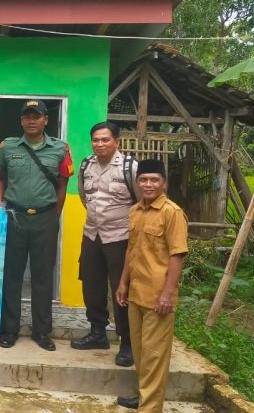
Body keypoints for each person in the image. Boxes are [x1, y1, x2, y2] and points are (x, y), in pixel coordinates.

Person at [0, 99, 73, 351]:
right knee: (12, 275)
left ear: (46, 120)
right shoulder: (7, 146)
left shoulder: (60, 148)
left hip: (45, 219)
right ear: (21, 120)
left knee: (42, 276)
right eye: (27, 116)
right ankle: (9, 330)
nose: (31, 120)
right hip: (14, 217)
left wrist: (55, 213)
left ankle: (41, 332)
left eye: (36, 116)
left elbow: (63, 183)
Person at [116, 159, 188, 412]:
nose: (148, 184)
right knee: (141, 352)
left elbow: (177, 255)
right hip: (136, 292)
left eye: (154, 180)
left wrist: (168, 293)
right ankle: (143, 396)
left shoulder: (172, 213)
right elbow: (131, 250)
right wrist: (123, 282)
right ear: (137, 183)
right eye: (144, 180)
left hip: (158, 296)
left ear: (164, 183)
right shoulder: (135, 210)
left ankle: (150, 407)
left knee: (155, 356)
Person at [72, 122, 138, 367]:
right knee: (91, 284)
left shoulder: (130, 167)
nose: (99, 144)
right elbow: (83, 196)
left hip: (120, 238)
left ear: (117, 141)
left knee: (122, 291)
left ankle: (128, 343)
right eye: (96, 140)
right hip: (92, 235)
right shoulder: (86, 165)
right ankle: (97, 332)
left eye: (105, 140)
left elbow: (141, 203)